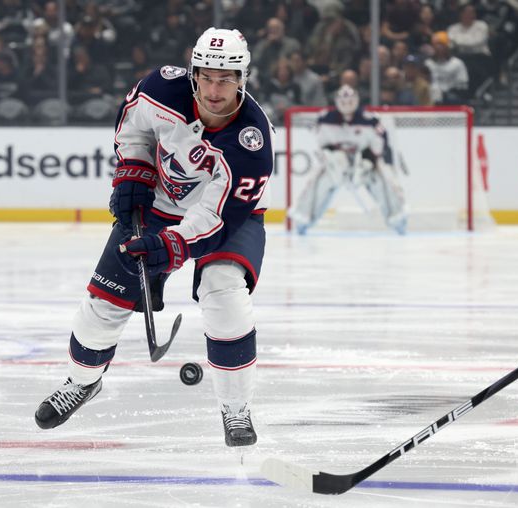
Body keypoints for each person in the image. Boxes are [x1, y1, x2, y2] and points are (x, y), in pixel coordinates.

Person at [34, 27, 274, 448]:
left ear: (243, 80)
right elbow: (134, 127)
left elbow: (215, 216)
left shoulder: (252, 142)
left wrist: (173, 246)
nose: (214, 90)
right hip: (159, 205)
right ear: (193, 72)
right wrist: (134, 170)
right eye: (206, 77)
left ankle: (235, 408)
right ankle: (82, 381)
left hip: (227, 219)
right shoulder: (160, 88)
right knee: (101, 308)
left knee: (224, 293)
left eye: (226, 79)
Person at [288, 85, 407, 235]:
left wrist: (368, 160)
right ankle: (302, 220)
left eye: (350, 101)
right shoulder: (325, 118)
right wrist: (334, 157)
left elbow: (380, 143)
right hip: (336, 164)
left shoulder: (369, 120)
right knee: (316, 183)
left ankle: (398, 220)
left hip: (365, 164)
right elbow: (323, 145)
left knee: (385, 182)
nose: (347, 105)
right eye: (343, 101)